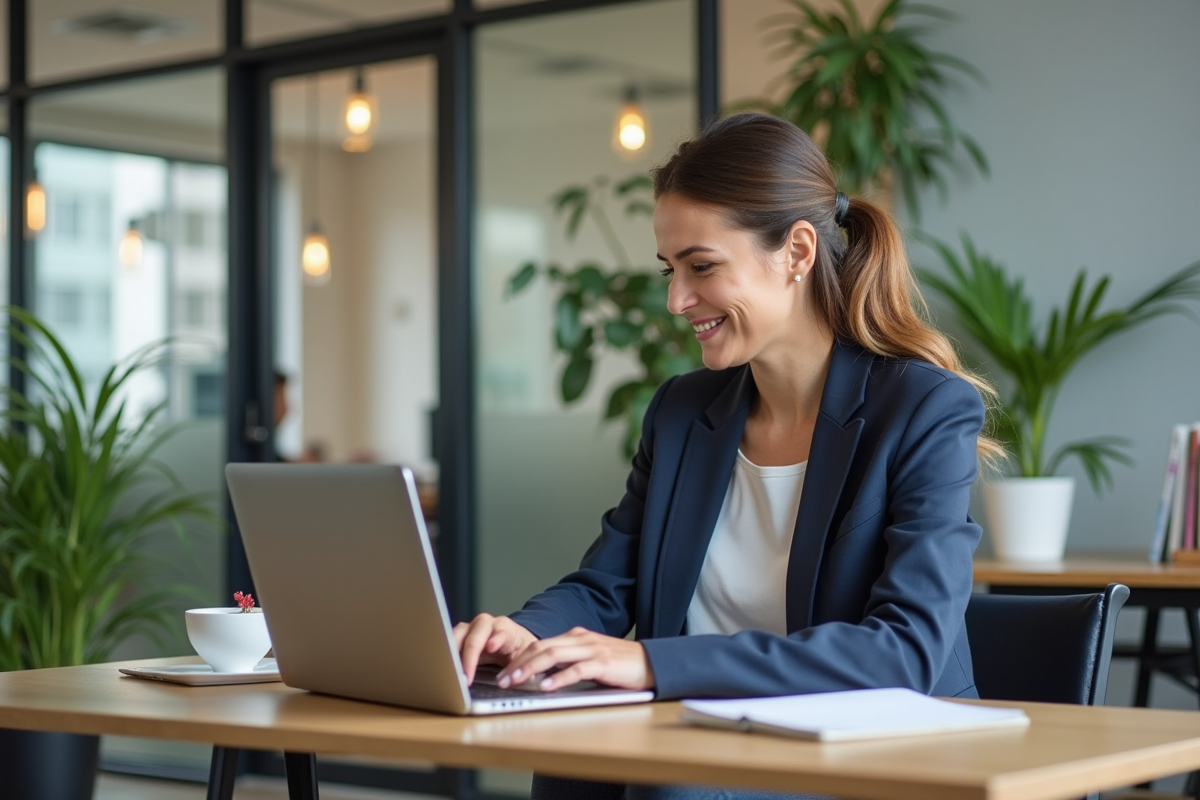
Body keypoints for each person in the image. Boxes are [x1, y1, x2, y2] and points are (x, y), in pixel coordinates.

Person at [454, 113, 1001, 800]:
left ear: (797, 252)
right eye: (670, 270)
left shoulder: (923, 408)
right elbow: (606, 585)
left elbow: (904, 650)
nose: (676, 300)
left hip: (876, 758)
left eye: (702, 267)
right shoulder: (684, 411)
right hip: (711, 742)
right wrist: (521, 633)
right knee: (572, 759)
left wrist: (654, 664)